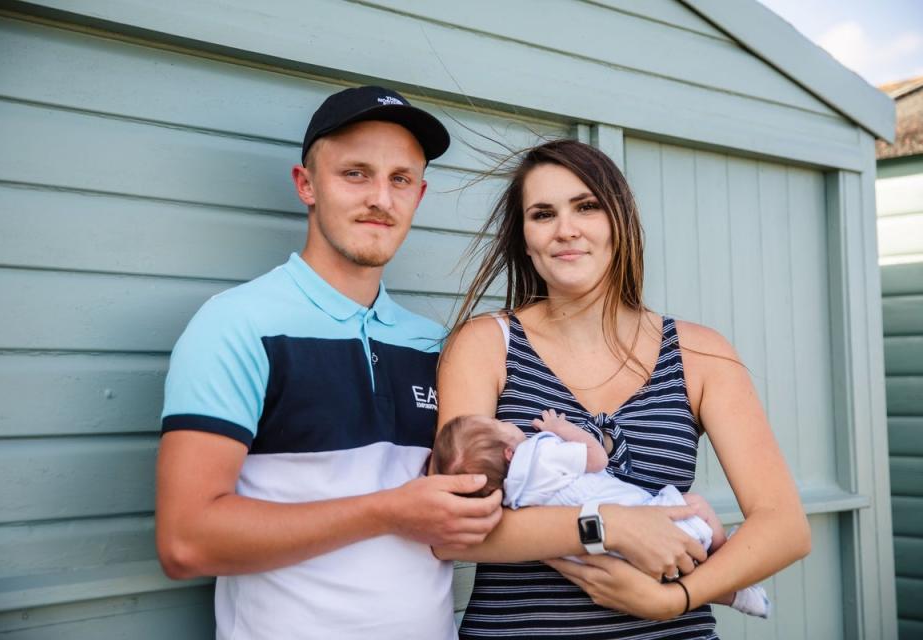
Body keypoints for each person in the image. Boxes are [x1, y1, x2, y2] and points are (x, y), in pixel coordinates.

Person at [155, 85, 503, 640]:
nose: (381, 200)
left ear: (420, 194)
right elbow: (185, 542)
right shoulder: (236, 325)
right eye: (355, 173)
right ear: (306, 184)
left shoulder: (437, 346)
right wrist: (389, 511)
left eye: (400, 179)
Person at [434, 139, 811, 638]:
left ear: (620, 222)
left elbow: (784, 526)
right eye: (542, 214)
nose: (565, 230)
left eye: (586, 207)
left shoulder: (699, 353)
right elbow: (454, 533)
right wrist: (605, 524)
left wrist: (672, 598)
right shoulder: (486, 345)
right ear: (525, 240)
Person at [433, 410, 770, 618]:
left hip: (609, 566)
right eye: (497, 423)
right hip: (654, 523)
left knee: (684, 570)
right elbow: (596, 460)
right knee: (696, 504)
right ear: (509, 452)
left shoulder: (513, 500)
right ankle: (730, 565)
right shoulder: (540, 452)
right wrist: (562, 430)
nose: (506, 422)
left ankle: (737, 594)